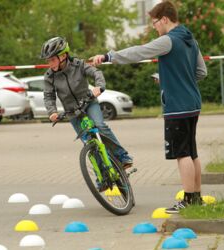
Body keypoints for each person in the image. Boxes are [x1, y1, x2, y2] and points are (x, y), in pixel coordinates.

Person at [89, 0, 207, 213]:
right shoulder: (191, 40)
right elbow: (201, 72)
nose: (154, 27)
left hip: (177, 105)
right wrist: (171, 79)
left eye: (154, 22)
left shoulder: (168, 40)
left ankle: (189, 200)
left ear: (164, 19)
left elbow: (139, 52)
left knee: (182, 154)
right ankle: (196, 197)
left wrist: (108, 56)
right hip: (193, 103)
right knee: (191, 152)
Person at [41, 37, 134, 187]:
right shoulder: (49, 76)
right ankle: (101, 176)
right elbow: (48, 95)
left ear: (63, 56)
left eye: (52, 59)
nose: (49, 63)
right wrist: (52, 112)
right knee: (88, 142)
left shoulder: (79, 65)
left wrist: (99, 87)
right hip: (72, 112)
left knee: (99, 126)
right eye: (48, 60)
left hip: (88, 103)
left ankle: (122, 156)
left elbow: (96, 73)